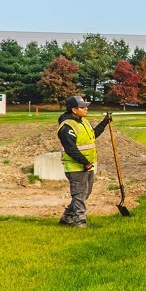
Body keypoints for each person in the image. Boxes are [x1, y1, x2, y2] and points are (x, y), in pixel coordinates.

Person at [57, 95, 111, 228]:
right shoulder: (66, 127)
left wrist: (104, 122)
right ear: (74, 110)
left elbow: (93, 135)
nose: (86, 109)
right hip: (76, 167)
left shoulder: (83, 122)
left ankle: (67, 217)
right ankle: (80, 222)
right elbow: (71, 149)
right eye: (83, 107)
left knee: (84, 194)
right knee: (79, 195)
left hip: (87, 165)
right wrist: (85, 162)